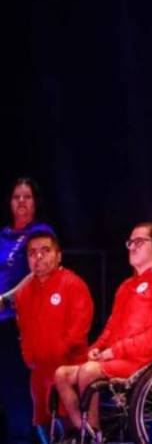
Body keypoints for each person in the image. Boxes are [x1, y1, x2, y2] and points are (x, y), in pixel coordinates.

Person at [54, 222, 152, 436]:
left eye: (139, 241)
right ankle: (85, 431)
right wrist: (97, 349)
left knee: (89, 371)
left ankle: (95, 432)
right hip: (121, 359)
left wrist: (115, 351)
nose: (132, 247)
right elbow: (111, 328)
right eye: (130, 242)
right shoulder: (126, 286)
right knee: (61, 374)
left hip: (149, 361)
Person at [14, 231, 93, 441]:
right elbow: (22, 329)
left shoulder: (73, 284)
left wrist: (59, 353)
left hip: (67, 369)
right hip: (38, 373)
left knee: (70, 428)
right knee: (41, 423)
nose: (38, 257)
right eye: (32, 253)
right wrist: (28, 356)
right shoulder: (23, 293)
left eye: (45, 251)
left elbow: (79, 328)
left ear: (58, 255)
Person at [0, 177, 55, 444]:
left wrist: (7, 299)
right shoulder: (3, 235)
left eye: (27, 196)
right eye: (16, 197)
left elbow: (39, 271)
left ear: (35, 202)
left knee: (16, 388)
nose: (21, 201)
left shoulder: (39, 233)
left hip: (18, 320)